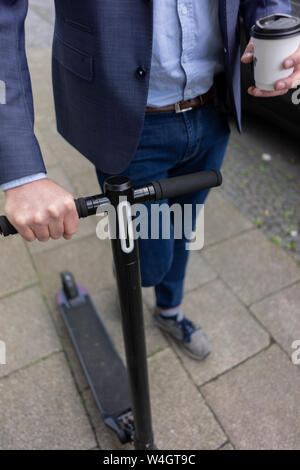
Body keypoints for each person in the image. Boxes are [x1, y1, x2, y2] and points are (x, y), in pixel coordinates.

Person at [1, 1, 298, 360]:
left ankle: (169, 311)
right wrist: (20, 170)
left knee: (184, 228)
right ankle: (131, 267)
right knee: (150, 261)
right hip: (129, 122)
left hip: (212, 110)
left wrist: (275, 26)